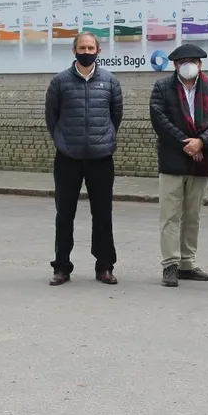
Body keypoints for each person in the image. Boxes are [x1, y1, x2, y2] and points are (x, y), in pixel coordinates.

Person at [149, 43, 208, 287]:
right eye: (183, 62)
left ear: (200, 64)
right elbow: (159, 120)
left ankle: (187, 263)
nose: (188, 66)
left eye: (193, 61)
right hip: (173, 159)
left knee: (193, 215)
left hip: (201, 161)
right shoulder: (162, 87)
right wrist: (187, 144)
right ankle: (170, 264)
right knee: (170, 215)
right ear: (175, 65)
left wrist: (202, 142)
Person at [45, 31, 123, 286]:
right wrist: (63, 141)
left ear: (98, 51)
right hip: (68, 157)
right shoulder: (60, 82)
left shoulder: (110, 82)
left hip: (101, 158)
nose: (86, 52)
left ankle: (105, 266)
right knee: (64, 214)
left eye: (91, 48)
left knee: (103, 214)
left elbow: (115, 116)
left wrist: (103, 140)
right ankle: (61, 267)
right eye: (82, 48)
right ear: (74, 51)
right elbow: (51, 117)